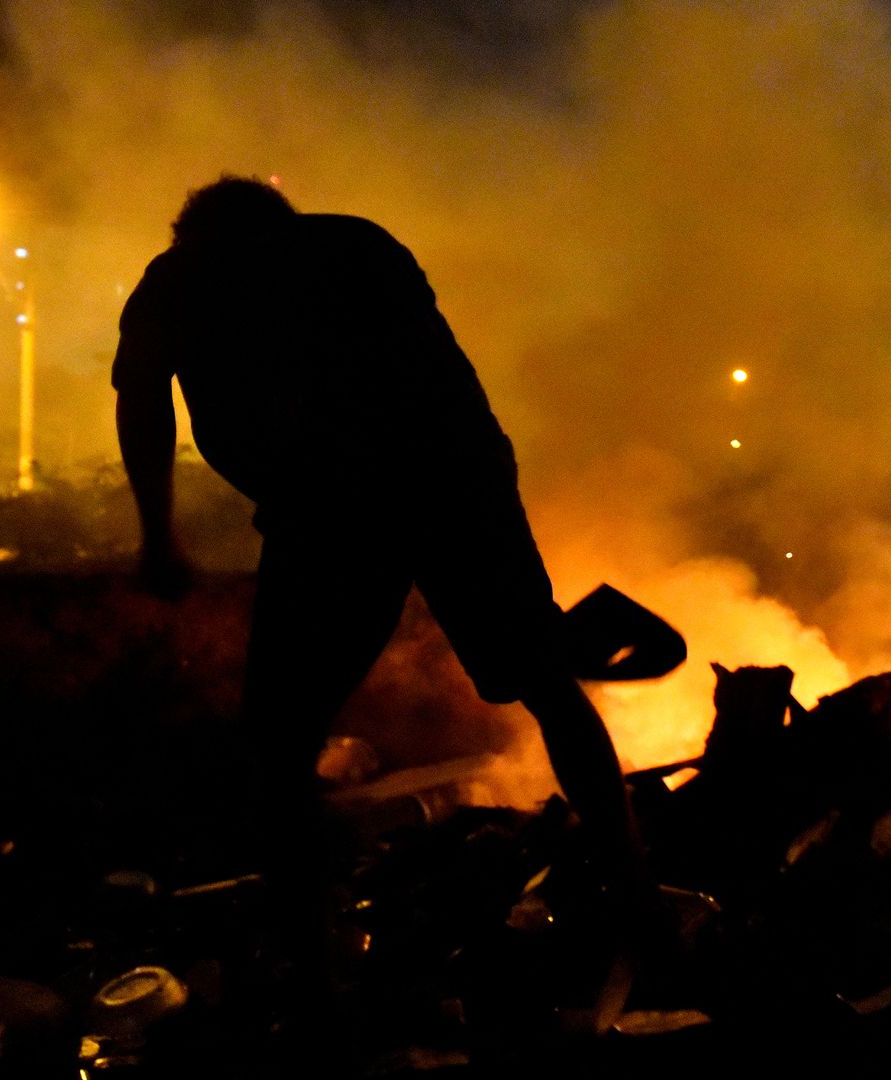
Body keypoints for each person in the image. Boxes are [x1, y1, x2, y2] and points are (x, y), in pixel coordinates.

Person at [113, 176, 650, 1016]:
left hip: (346, 512)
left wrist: (157, 535)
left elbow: (142, 408)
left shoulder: (180, 280)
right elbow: (439, 381)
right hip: (442, 492)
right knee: (546, 684)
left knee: (281, 743)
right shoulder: (351, 245)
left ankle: (311, 969)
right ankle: (633, 891)